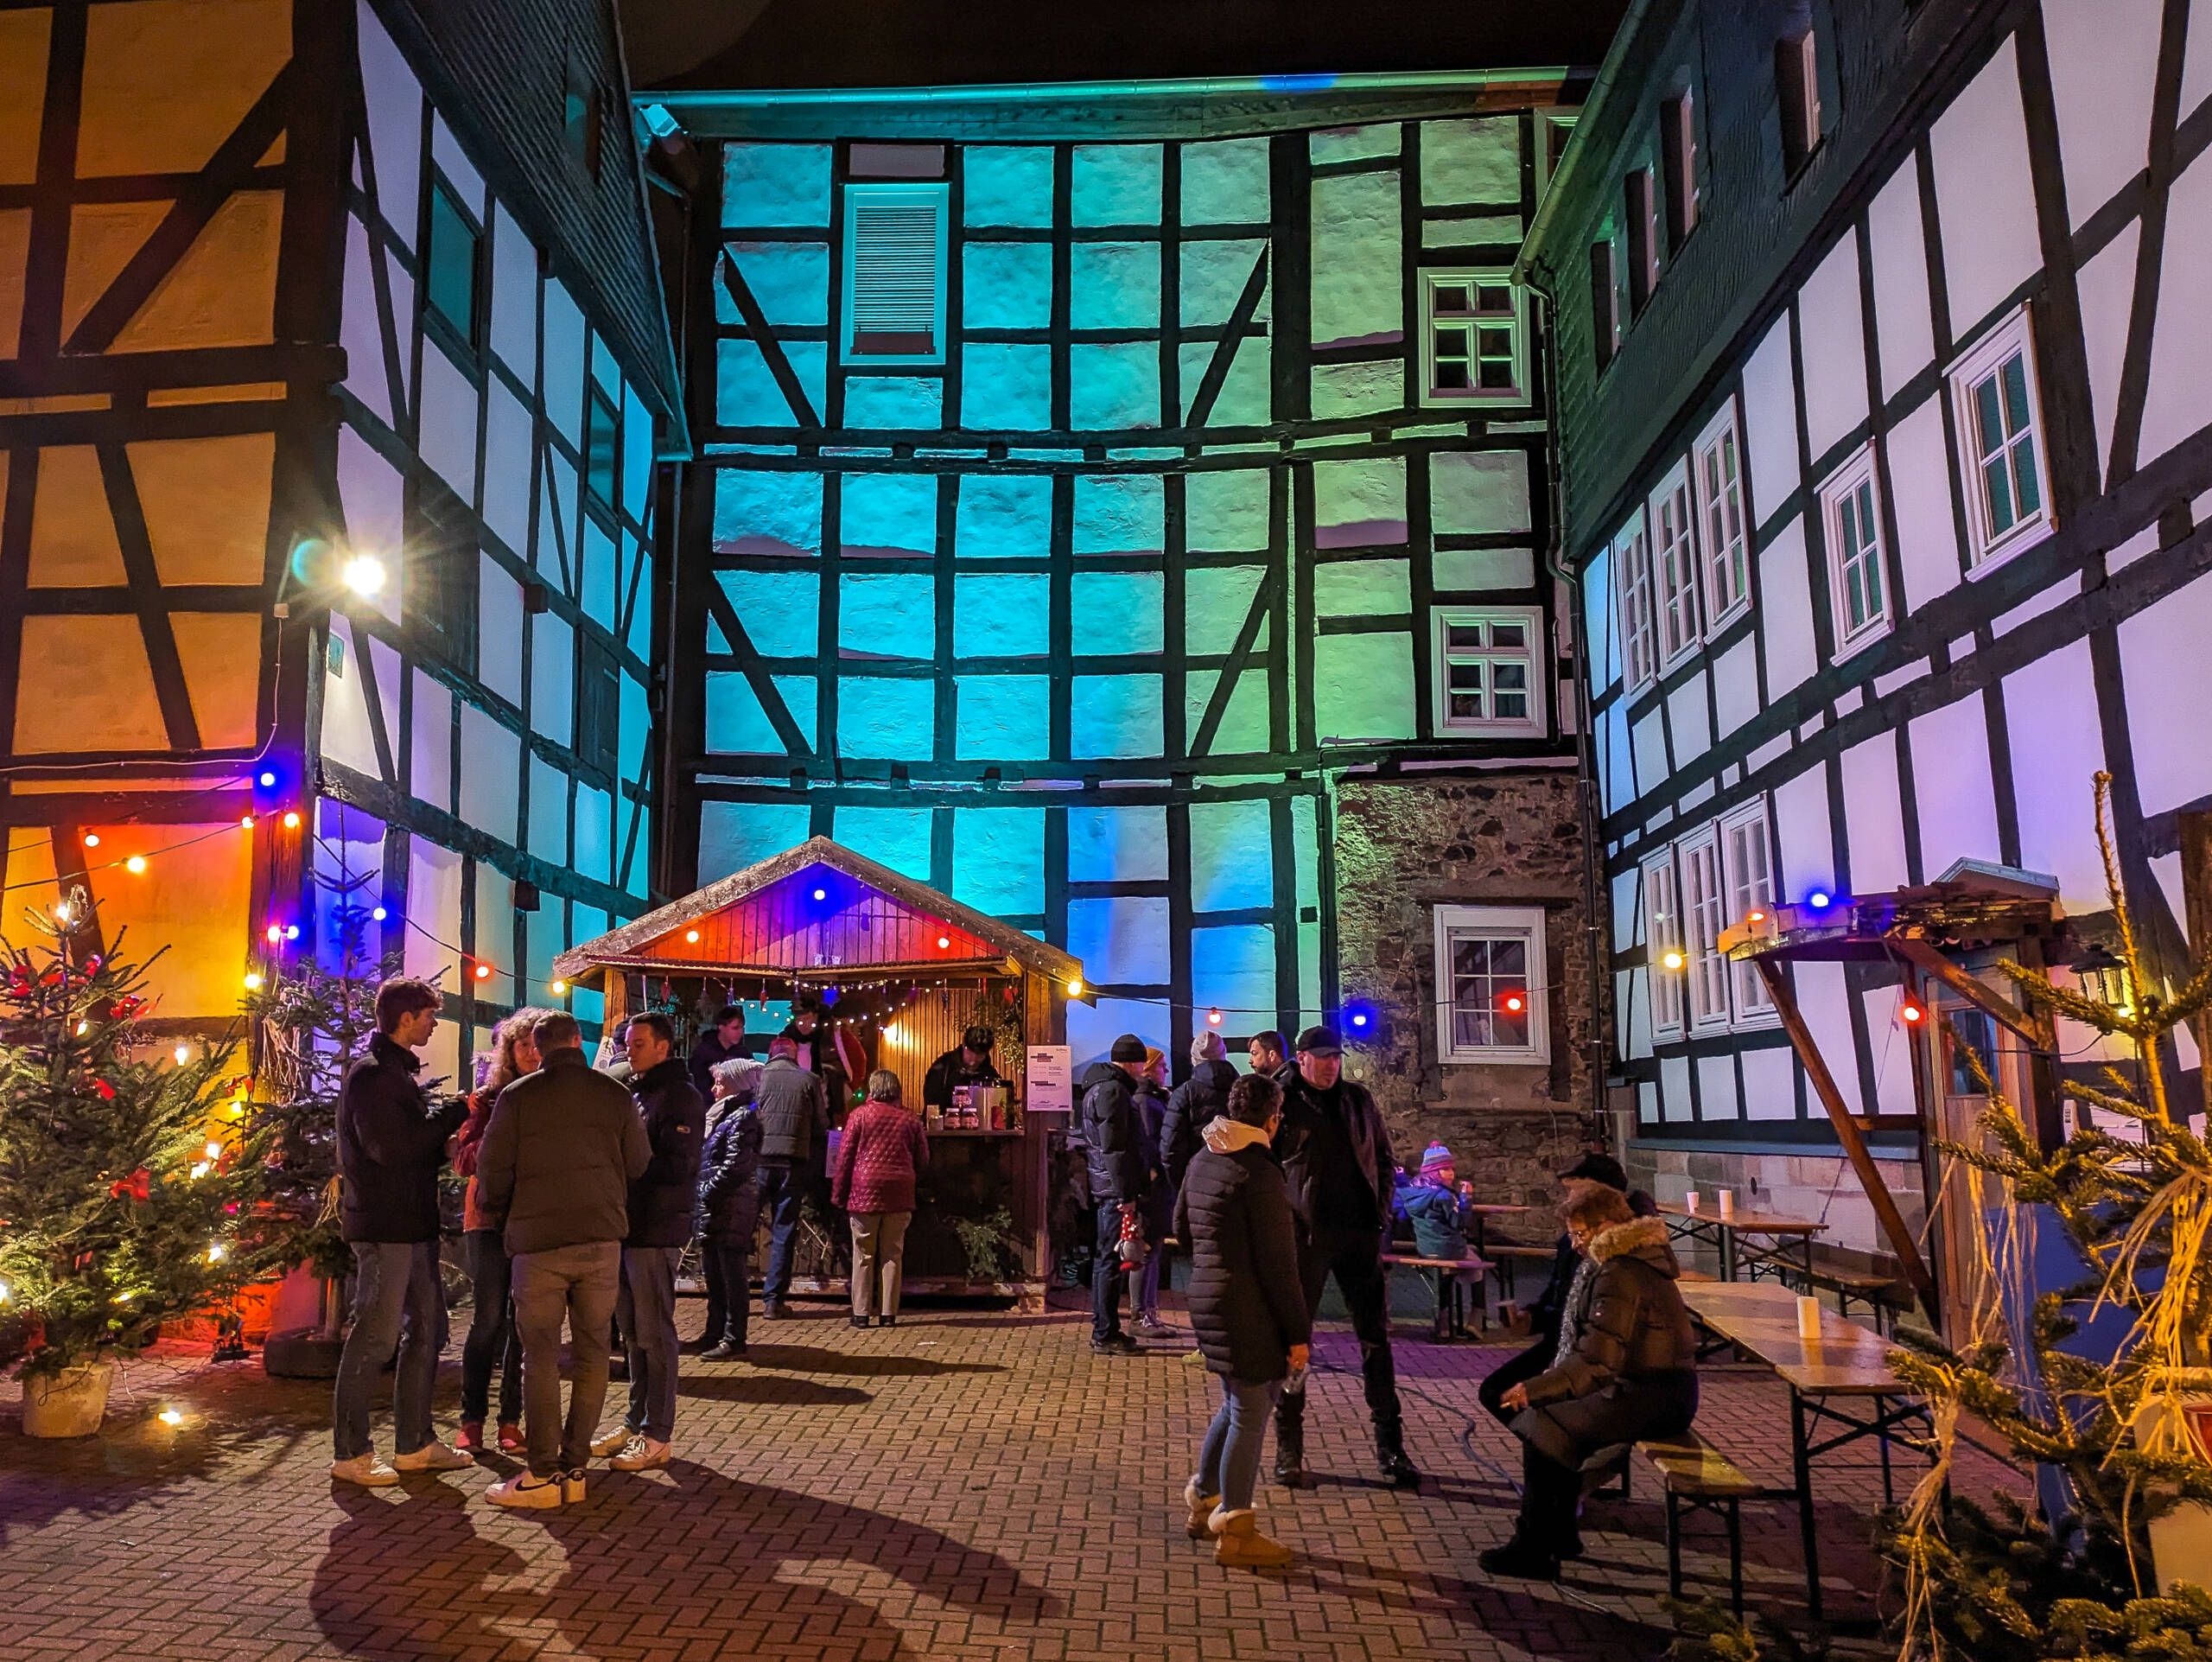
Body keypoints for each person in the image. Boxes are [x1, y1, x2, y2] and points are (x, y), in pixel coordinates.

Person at [474, 1010, 652, 1508]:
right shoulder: (615, 1095)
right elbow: (639, 1162)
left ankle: (543, 1473)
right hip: (600, 1239)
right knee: (595, 1353)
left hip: (538, 1242)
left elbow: (492, 1171)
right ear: (579, 1041)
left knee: (541, 1357)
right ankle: (576, 1467)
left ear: (539, 1046)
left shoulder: (518, 1097)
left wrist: (505, 1212)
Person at [1483, 1184, 1698, 1580]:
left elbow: (1599, 1358)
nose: (1576, 1244)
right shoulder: (1617, 1260)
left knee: (1546, 1424)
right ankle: (1557, 1536)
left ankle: (1535, 1548)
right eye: (1571, 1234)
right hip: (1650, 1386)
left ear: (1610, 1225)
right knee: (1547, 1424)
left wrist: (1536, 1388)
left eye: (1581, 1234)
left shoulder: (1622, 1270)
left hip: (1654, 1391)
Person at [329, 977, 473, 1487]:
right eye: (430, 1015)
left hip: (413, 1227)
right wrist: (456, 1112)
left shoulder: (395, 1076)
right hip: (386, 1228)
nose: (435, 1024)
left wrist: (446, 1140)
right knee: (376, 1337)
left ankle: (414, 1444)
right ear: (407, 1018)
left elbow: (413, 1149)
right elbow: (392, 1151)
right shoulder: (373, 1077)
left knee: (429, 1332)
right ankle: (351, 1453)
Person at [1271, 1025, 1420, 1490]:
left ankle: (1391, 1447)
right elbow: (1264, 1167)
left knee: (1375, 1339)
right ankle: (1288, 1447)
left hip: (1358, 1235)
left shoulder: (1358, 1100)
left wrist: (1380, 1215)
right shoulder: (1280, 1101)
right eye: (1322, 1056)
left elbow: (1383, 1157)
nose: (1332, 1064)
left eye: (1336, 1056)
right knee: (1296, 1343)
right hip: (1306, 1238)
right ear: (1301, 1059)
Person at [1177, 1074, 1311, 1569]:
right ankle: (1236, 1529)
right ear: (1272, 1119)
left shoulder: (1202, 1158)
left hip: (1207, 1296)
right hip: (1247, 1306)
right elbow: (1281, 1265)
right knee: (1251, 1414)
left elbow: (1180, 1228)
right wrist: (1298, 1335)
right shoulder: (1259, 1172)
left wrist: (1213, 1262)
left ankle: (1205, 1499)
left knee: (1237, 1405)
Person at [592, 1013, 702, 1474]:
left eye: (638, 1044)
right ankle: (636, 1421)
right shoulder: (636, 1092)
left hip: (655, 1229)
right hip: (628, 1226)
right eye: (627, 1043)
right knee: (634, 1332)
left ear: (662, 1046)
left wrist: (624, 1172)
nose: (628, 1051)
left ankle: (658, 1432)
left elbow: (676, 1165)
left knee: (655, 1331)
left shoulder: (680, 1097)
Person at [1478, 1151, 1657, 1427]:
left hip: (1599, 1360)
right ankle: (1555, 1451)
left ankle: (1565, 1454)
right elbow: (1558, 1297)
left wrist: (1544, 1384)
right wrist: (1529, 1319)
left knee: (1542, 1415)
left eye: (1575, 1192)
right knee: (1498, 1394)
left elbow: (1601, 1345)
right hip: (1566, 1344)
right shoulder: (1572, 1242)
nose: (1568, 1201)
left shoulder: (1621, 1256)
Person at [451, 1007, 550, 1456]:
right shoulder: (487, 1100)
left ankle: (511, 1420)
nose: (531, 1051)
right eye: (522, 1044)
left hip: (533, 1220)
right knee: (487, 1319)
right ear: (508, 1051)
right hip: (489, 1221)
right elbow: (464, 1160)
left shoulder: (555, 1097)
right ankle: (472, 1419)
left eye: (537, 1043)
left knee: (520, 1325)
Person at [833, 1070, 930, 1328]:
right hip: (899, 1192)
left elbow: (844, 1159)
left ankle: (861, 1314)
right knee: (892, 1254)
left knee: (863, 1254)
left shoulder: (859, 1116)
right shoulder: (910, 1119)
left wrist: (838, 1195)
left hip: (864, 1192)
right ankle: (888, 1314)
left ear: (873, 1089)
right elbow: (923, 1159)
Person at [1079, 1035, 1154, 1354]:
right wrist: (1126, 1194)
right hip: (1114, 1190)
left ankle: (1106, 1329)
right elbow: (1115, 1149)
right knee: (1110, 1259)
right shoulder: (1113, 1091)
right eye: (1141, 1063)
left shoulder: (1101, 1088)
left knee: (1107, 1258)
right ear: (1133, 1062)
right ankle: (1105, 1333)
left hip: (1108, 1187)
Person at [754, 1034, 830, 1318]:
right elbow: (822, 1125)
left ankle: (730, 1296)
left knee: (744, 1228)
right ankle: (773, 1301)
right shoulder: (809, 1080)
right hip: (793, 1162)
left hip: (759, 1160)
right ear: (794, 1054)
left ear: (772, 1054)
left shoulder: (759, 1077)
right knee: (784, 1229)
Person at [695, 1056, 763, 1355]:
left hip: (731, 1203)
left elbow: (735, 1163)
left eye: (720, 1081)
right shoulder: (726, 1114)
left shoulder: (743, 1117)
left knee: (731, 1273)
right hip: (719, 1204)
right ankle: (714, 1331)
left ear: (735, 1083)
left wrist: (707, 1190)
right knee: (715, 1272)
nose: (714, 1088)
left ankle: (734, 1337)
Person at [1133, 1047, 1174, 1337]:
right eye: (1162, 1067)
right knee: (1146, 1250)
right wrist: (1156, 1173)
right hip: (1150, 1188)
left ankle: (1149, 1310)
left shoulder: (1154, 1098)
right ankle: (1140, 1313)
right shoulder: (1146, 1101)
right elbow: (1149, 1143)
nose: (1166, 1072)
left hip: (1156, 1186)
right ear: (1149, 1068)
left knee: (1154, 1249)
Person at [1399, 1143, 1476, 1261]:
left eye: (1452, 1169)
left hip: (1424, 1249)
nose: (1451, 1173)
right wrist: (1466, 1198)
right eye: (1445, 1169)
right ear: (1434, 1172)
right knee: (1476, 1267)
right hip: (1449, 1250)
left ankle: (1446, 1279)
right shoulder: (1443, 1195)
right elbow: (1460, 1223)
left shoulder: (1413, 1192)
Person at [923, 1025, 1003, 1120]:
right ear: (964, 1045)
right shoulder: (942, 1068)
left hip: (979, 1131)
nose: (973, 1060)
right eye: (970, 1053)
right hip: (944, 1130)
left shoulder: (990, 1075)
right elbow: (931, 1103)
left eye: (979, 1056)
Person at [689, 1003, 751, 1103]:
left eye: (741, 1028)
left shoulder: (744, 1054)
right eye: (735, 1028)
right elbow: (697, 1084)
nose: (740, 1032)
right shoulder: (703, 1052)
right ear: (721, 1027)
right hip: (708, 1107)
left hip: (736, 1108)